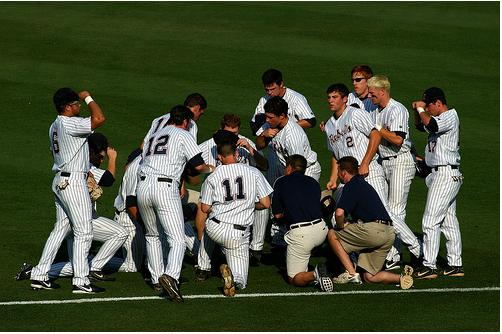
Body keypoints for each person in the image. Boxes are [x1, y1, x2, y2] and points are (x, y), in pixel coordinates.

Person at [19, 133, 128, 283]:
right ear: (91, 152)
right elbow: (109, 180)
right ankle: (94, 269)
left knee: (77, 265)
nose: (102, 159)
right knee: (120, 233)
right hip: (82, 220)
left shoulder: (78, 161)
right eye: (101, 156)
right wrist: (113, 157)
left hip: (72, 220)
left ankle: (33, 272)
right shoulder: (86, 166)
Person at [29, 88, 107, 294]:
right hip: (72, 182)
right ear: (67, 107)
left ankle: (39, 274)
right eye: (75, 104)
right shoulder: (70, 123)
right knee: (84, 231)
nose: (79, 106)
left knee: (61, 228)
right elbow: (99, 118)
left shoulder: (54, 125)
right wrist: (89, 97)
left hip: (60, 180)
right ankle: (81, 280)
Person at [137, 105, 214, 303]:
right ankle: (171, 276)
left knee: (152, 234)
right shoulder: (184, 134)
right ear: (186, 121)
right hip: (165, 187)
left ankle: (156, 279)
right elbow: (196, 165)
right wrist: (209, 168)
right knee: (178, 239)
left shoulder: (154, 135)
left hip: (143, 186)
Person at [195, 114, 269, 281]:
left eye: (235, 134)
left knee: (210, 224)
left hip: (225, 210)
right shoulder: (208, 146)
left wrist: (251, 149)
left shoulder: (243, 142)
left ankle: (255, 248)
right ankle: (206, 266)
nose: (233, 137)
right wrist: (208, 169)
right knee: (240, 279)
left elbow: (265, 165)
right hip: (220, 200)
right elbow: (193, 167)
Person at [326, 156, 413, 289]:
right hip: (389, 233)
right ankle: (402, 278)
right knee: (369, 276)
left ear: (343, 172)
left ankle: (351, 273)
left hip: (374, 231)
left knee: (332, 234)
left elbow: (339, 213)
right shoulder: (364, 184)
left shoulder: (351, 185)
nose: (338, 175)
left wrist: (340, 226)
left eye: (338, 172)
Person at [367, 75, 422, 269]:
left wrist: (378, 128)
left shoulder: (397, 109)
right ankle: (395, 255)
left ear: (382, 91)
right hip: (385, 162)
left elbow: (398, 140)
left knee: (395, 211)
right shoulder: (375, 109)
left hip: (400, 162)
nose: (370, 96)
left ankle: (411, 250)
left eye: (372, 93)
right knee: (388, 210)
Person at [411, 87, 464, 279]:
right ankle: (455, 264)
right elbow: (421, 126)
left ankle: (429, 265)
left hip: (445, 175)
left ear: (438, 103)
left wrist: (419, 109)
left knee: (430, 220)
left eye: (429, 105)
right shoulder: (439, 119)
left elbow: (431, 125)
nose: (427, 108)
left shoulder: (449, 116)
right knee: (448, 221)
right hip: (442, 174)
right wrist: (418, 112)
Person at [271, 154, 331, 291]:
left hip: (302, 236)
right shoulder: (313, 182)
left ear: (289, 168)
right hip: (321, 230)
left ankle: (315, 273)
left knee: (294, 278)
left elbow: (278, 214)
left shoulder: (281, 182)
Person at [250, 68, 317, 188]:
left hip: (299, 159)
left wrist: (286, 127)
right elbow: (255, 125)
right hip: (275, 152)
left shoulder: (296, 99)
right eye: (267, 90)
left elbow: (311, 121)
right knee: (273, 193)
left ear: (281, 84)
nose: (269, 93)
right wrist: (265, 132)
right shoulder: (264, 100)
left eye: (272, 89)